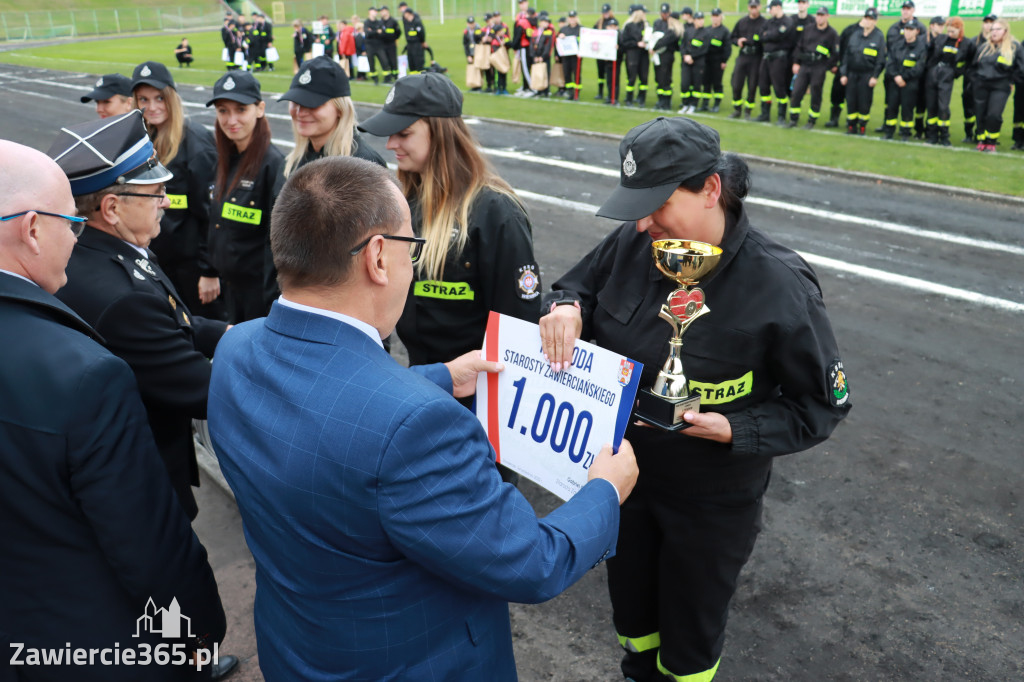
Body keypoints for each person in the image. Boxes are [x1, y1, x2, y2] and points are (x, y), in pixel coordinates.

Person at [206, 154, 638, 681]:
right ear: (379, 259)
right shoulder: (419, 427)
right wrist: (604, 492)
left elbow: (329, 400)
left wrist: (440, 376)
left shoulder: (237, 350)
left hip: (297, 650)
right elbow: (530, 563)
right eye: (414, 247)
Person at [540, 115, 851, 682]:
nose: (644, 221)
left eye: (658, 202)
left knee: (688, 644)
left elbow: (821, 406)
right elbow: (577, 283)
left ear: (711, 189)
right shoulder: (638, 241)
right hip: (625, 481)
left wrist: (736, 430)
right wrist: (565, 306)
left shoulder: (779, 284)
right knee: (634, 621)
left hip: (711, 502)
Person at [0, 140, 228, 682]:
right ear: (33, 229)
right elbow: (147, 545)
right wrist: (196, 633)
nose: (77, 240)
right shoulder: (84, 373)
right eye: (68, 225)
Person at [49, 111, 230, 529]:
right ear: (112, 208)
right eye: (155, 193)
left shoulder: (101, 251)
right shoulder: (122, 294)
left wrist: (230, 334)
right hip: (143, 483)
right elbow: (203, 389)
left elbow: (172, 320)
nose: (166, 202)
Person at [359, 73, 541, 371]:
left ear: (441, 134)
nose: (390, 144)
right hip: (423, 379)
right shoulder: (405, 203)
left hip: (478, 394)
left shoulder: (495, 211)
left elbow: (518, 328)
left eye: (403, 133)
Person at [131, 61, 222, 320]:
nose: (152, 106)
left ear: (172, 97)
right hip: (163, 260)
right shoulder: (146, 138)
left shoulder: (196, 143)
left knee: (208, 331)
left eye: (160, 97)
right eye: (143, 99)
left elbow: (212, 214)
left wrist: (209, 271)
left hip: (193, 267)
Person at [206, 71, 285, 323]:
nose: (231, 120)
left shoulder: (273, 165)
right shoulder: (225, 159)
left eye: (241, 109)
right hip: (230, 290)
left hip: (259, 297)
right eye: (223, 111)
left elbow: (276, 244)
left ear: (260, 109)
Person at [280, 56, 385, 177]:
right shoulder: (292, 162)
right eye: (295, 101)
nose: (300, 112)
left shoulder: (363, 167)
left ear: (340, 109)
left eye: (312, 103)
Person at [971, 18, 1023, 152]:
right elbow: (973, 66)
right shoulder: (984, 47)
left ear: (1005, 31)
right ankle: (982, 139)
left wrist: (1011, 80)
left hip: (1000, 86)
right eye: (992, 29)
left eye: (997, 29)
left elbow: (1020, 68)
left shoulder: (1014, 47)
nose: (993, 32)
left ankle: (991, 141)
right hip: (981, 85)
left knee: (994, 114)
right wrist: (975, 80)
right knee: (980, 113)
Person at [785, 5, 838, 130]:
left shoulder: (832, 33)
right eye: (818, 15)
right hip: (805, 64)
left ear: (827, 16)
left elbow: (836, 54)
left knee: (815, 92)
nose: (819, 18)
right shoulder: (808, 29)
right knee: (797, 91)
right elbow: (799, 46)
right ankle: (793, 118)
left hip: (819, 66)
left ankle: (811, 120)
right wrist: (796, 62)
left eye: (822, 15)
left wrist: (826, 66)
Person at [924, 16, 972, 146]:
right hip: (933, 75)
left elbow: (969, 61)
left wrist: (957, 72)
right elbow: (929, 54)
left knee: (943, 107)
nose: (950, 34)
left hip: (947, 78)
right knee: (932, 107)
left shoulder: (966, 43)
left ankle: (944, 136)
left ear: (960, 29)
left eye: (953, 31)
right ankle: (932, 136)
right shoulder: (941, 39)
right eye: (948, 30)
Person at [838, 7, 886, 136]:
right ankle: (851, 126)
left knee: (864, 102)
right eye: (866, 18)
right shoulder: (855, 35)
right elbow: (846, 56)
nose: (868, 21)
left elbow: (881, 59)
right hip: (852, 74)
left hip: (867, 74)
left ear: (875, 21)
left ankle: (862, 127)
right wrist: (843, 73)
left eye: (871, 19)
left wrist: (875, 76)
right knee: (851, 100)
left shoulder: (879, 36)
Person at [881, 19, 928, 141]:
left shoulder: (921, 48)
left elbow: (919, 67)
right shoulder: (897, 45)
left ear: (917, 31)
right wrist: (896, 76)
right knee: (892, 107)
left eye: (911, 29)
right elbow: (890, 62)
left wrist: (904, 77)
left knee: (907, 109)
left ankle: (905, 133)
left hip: (910, 83)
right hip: (894, 82)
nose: (908, 32)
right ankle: (889, 131)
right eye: (906, 29)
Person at [756, 0, 795, 124]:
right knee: (763, 85)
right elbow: (760, 35)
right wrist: (769, 35)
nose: (770, 11)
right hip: (766, 58)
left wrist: (768, 35)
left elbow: (779, 35)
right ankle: (765, 113)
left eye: (771, 8)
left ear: (778, 7)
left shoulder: (787, 21)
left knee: (779, 87)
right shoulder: (770, 21)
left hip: (779, 59)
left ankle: (781, 116)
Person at [730, 0, 766, 119]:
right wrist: (737, 41)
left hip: (756, 57)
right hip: (743, 55)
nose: (753, 9)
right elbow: (733, 37)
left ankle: (748, 111)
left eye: (755, 7)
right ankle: (737, 109)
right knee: (736, 84)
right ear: (748, 7)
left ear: (759, 7)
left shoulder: (764, 23)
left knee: (752, 85)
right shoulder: (742, 22)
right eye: (751, 7)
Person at [963, 15, 996, 142]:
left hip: (988, 81)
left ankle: (981, 134)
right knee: (968, 106)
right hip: (971, 80)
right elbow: (967, 62)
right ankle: (968, 133)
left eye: (991, 23)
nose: (988, 25)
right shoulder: (973, 42)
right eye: (986, 22)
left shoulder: (998, 43)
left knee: (985, 108)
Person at [678, 11, 708, 114]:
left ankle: (693, 105)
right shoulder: (688, 31)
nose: (701, 21)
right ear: (694, 20)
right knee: (685, 83)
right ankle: (685, 103)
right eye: (698, 19)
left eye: (702, 19)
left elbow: (704, 49)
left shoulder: (706, 33)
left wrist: (692, 56)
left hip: (698, 62)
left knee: (696, 84)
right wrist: (685, 55)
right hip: (686, 61)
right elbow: (682, 45)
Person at [621, 5, 650, 107]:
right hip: (632, 55)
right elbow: (624, 42)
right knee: (631, 77)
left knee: (644, 77)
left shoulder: (646, 25)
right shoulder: (629, 26)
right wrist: (636, 44)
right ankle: (629, 98)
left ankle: (642, 99)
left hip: (644, 55)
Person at [702, 8, 731, 112]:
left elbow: (728, 48)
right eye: (713, 16)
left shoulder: (724, 31)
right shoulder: (707, 29)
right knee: (706, 82)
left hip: (717, 61)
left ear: (721, 17)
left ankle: (717, 104)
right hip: (706, 60)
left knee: (717, 82)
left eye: (717, 16)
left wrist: (724, 61)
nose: (715, 18)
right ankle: (705, 103)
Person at [558, 10, 583, 100]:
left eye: (574, 17)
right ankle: (570, 92)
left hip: (576, 56)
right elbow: (558, 42)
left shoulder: (581, 29)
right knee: (567, 74)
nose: (572, 19)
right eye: (570, 18)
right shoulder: (564, 29)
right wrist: (560, 36)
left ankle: (577, 93)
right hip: (566, 56)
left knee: (577, 74)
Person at [594, 3, 616, 100]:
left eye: (607, 12)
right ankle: (600, 92)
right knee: (600, 74)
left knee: (609, 74)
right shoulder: (599, 22)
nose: (605, 14)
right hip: (600, 52)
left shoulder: (613, 22)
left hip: (609, 53)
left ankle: (609, 93)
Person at [530, 12, 554, 97]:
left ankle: (546, 91)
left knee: (545, 73)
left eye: (547, 22)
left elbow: (548, 46)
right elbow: (532, 44)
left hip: (544, 56)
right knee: (537, 73)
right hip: (536, 56)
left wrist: (543, 57)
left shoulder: (548, 32)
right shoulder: (535, 31)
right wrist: (534, 56)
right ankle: (538, 89)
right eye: (544, 21)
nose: (545, 23)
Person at [379, 5, 402, 82]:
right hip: (382, 44)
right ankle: (387, 77)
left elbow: (398, 32)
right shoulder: (380, 22)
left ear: (387, 11)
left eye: (382, 11)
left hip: (391, 44)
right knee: (385, 61)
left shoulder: (393, 21)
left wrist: (394, 39)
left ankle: (395, 75)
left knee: (393, 60)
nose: (381, 13)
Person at [402, 7, 427, 73]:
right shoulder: (406, 22)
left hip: (417, 44)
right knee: (411, 61)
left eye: (405, 13)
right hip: (410, 45)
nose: (404, 15)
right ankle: (413, 77)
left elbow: (421, 33)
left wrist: (423, 41)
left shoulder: (417, 22)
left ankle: (420, 77)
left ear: (409, 14)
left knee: (418, 61)